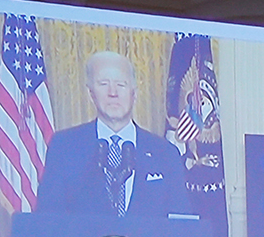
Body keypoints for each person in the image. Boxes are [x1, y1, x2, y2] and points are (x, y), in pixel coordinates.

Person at [37, 50, 192, 219]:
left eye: (121, 84)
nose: (113, 93)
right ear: (91, 93)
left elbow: (180, 224)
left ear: (134, 93)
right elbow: (48, 220)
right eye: (103, 84)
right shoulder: (64, 147)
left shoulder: (166, 154)